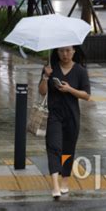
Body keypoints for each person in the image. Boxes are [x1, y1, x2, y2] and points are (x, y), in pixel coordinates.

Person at [38, 46, 91, 199]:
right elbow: (42, 91)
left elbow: (87, 95)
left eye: (68, 51)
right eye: (61, 51)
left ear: (74, 51)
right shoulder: (50, 68)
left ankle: (65, 180)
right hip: (54, 115)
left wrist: (70, 89)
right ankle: (55, 184)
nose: (65, 54)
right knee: (54, 147)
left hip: (72, 116)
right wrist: (45, 77)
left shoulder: (80, 71)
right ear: (57, 52)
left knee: (68, 149)